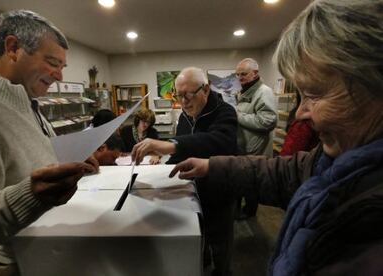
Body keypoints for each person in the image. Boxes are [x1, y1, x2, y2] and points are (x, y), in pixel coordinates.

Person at [170, 0, 383, 275]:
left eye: (315, 94)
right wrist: (211, 166)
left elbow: (262, 124)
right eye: (300, 95)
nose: (302, 112)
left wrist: (235, 119)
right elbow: (284, 172)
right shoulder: (337, 155)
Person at [0, 10, 98, 274]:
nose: (59, 76)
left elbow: (28, 159)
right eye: (52, 62)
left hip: (44, 255)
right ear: (13, 48)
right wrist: (31, 194)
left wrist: (71, 159)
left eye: (62, 67)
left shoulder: (25, 100)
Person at [132, 67, 238, 276]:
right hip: (194, 188)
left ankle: (223, 271)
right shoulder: (185, 116)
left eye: (188, 95)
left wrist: (171, 145)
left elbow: (220, 142)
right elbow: (182, 152)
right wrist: (162, 170)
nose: (183, 101)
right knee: (201, 235)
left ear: (205, 90)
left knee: (221, 240)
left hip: (219, 189)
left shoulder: (225, 112)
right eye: (178, 95)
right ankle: (204, 262)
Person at [235, 58, 277, 220]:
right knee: (241, 179)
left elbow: (268, 121)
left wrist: (238, 116)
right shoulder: (245, 90)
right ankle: (239, 210)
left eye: (244, 74)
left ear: (255, 73)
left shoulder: (263, 92)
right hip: (245, 146)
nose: (240, 77)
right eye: (237, 74)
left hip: (255, 148)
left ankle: (249, 213)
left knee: (251, 182)